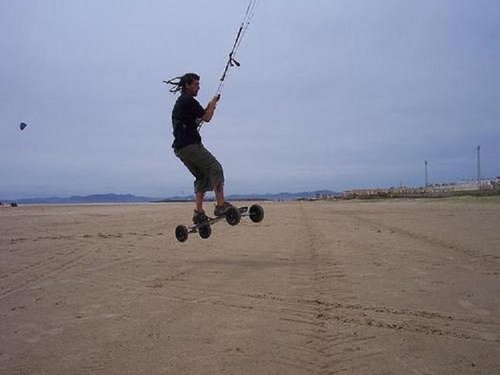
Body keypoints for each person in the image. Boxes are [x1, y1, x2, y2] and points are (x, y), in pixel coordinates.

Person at [171, 73, 234, 224]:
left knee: (201, 177)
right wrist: (212, 104)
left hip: (180, 149)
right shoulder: (188, 100)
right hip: (190, 145)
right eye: (196, 84)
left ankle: (198, 213)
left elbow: (200, 117)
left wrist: (211, 105)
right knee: (215, 168)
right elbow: (207, 118)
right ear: (187, 85)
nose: (198, 87)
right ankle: (220, 206)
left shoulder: (182, 102)